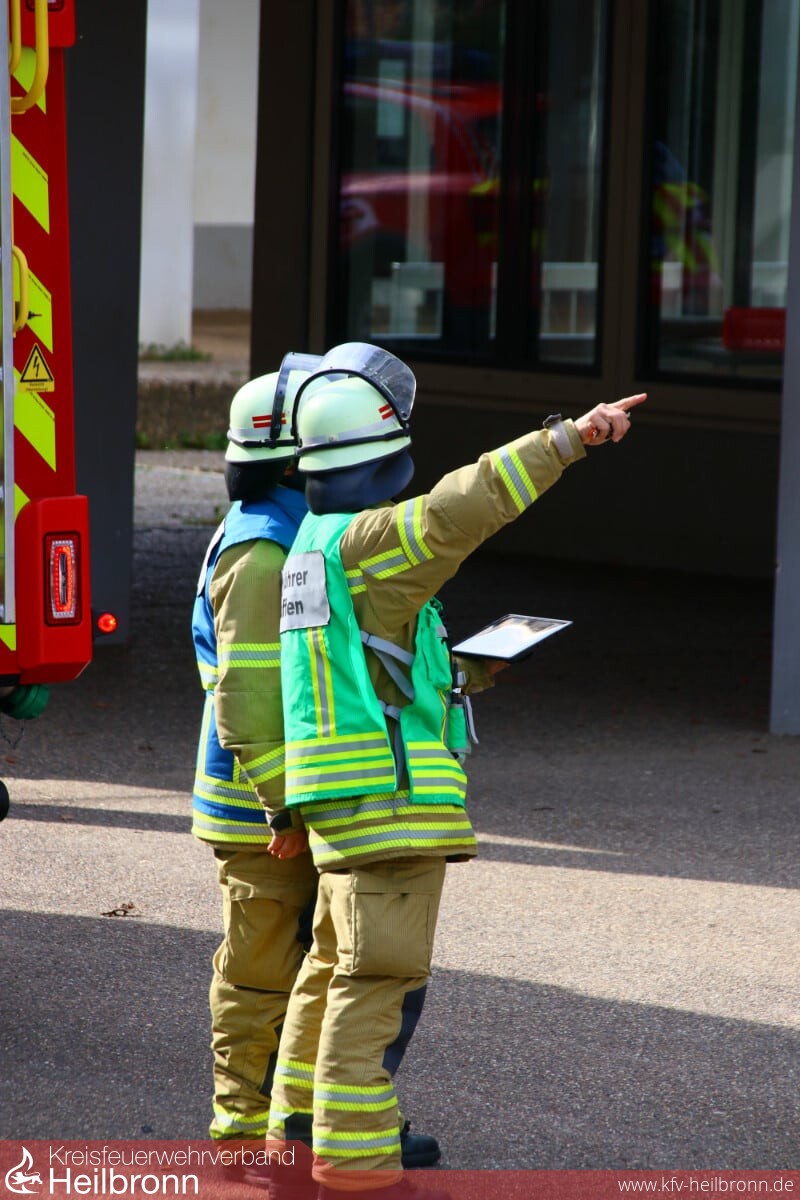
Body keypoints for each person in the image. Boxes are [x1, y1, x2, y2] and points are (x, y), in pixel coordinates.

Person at [265, 342, 646, 1200]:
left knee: (330, 970)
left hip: (337, 803)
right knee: (377, 981)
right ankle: (353, 1162)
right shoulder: (370, 542)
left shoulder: (310, 549)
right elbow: (460, 507)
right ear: (384, 457)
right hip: (388, 806)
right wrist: (571, 439)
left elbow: (368, 671)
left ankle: (294, 1133)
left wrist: (467, 670)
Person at [190, 363, 441, 1183]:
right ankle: (248, 1134)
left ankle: (297, 1129)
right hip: (262, 806)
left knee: (320, 966)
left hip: (291, 800)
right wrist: (282, 810)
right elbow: (249, 700)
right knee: (265, 972)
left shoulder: (284, 526)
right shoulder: (264, 548)